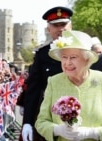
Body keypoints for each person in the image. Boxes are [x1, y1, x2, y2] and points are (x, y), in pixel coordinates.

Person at [35, 30, 102, 141]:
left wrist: (93, 133)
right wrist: (57, 130)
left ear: (87, 60)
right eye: (64, 57)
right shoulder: (54, 82)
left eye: (73, 57)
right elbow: (41, 122)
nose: (67, 63)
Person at [22, 6, 73, 141]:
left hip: (79, 113)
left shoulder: (82, 51)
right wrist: (27, 122)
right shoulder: (42, 54)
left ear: (70, 26)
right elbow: (33, 90)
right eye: (56, 25)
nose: (60, 29)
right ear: (49, 29)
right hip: (49, 117)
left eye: (63, 24)